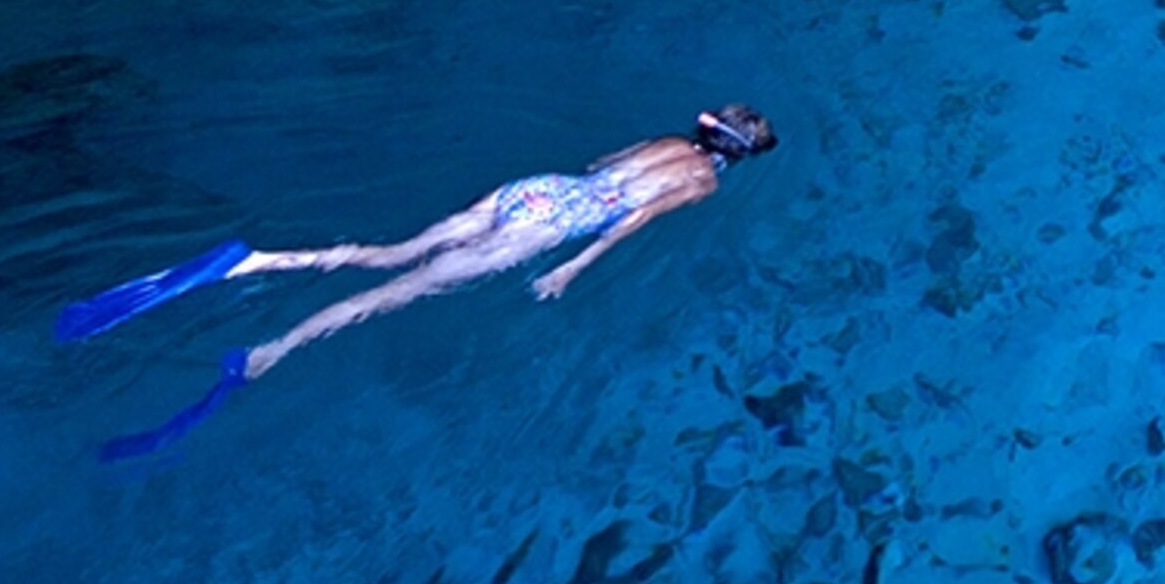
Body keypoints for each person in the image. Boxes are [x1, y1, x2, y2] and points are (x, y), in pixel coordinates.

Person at [223, 103, 776, 378]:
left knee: (396, 253)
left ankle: (268, 259)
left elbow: (601, 166)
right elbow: (633, 220)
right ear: (738, 156)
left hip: (539, 190)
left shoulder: (666, 140)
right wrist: (570, 269)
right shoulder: (701, 183)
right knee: (399, 290)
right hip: (550, 225)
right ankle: (280, 347)